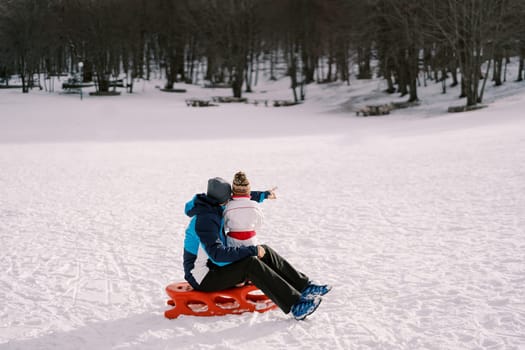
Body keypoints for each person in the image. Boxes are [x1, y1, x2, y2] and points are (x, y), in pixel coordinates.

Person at [182, 177, 332, 320]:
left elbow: (241, 197)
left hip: (214, 267)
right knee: (250, 263)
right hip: (203, 277)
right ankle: (295, 305)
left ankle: (304, 286)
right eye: (230, 198)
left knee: (263, 250)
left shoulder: (212, 205)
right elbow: (217, 254)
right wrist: (251, 251)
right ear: (224, 200)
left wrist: (263, 195)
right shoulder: (205, 221)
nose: (232, 200)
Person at [223, 171, 275, 248]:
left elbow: (224, 224)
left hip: (232, 240)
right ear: (248, 191)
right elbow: (259, 223)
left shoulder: (228, 206)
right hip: (251, 239)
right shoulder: (255, 206)